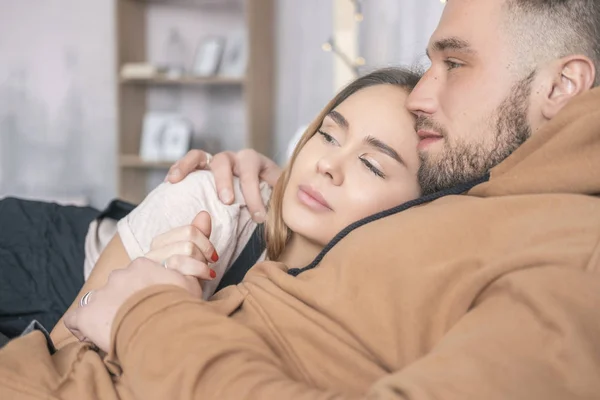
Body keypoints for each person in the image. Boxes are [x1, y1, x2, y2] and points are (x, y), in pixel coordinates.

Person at [2, 0, 600, 399]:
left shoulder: (571, 255)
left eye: (455, 62)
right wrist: (270, 182)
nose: (423, 95)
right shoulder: (489, 188)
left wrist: (149, 314)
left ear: (563, 86)